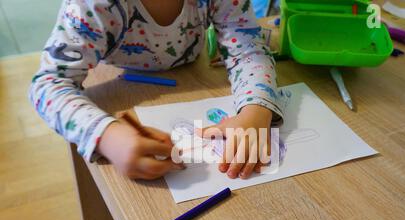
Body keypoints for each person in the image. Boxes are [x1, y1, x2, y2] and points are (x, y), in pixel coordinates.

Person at [29, 0, 284, 180]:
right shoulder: (90, 6)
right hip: (117, 81)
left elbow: (248, 47)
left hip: (192, 76)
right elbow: (47, 85)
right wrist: (106, 136)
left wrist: (256, 109)